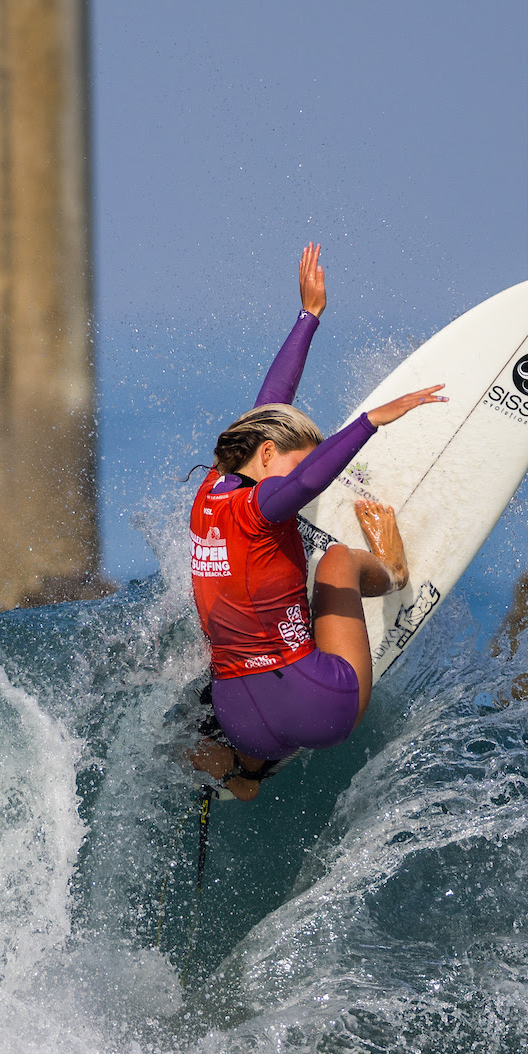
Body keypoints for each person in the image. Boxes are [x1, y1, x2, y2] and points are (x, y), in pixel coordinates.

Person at [188, 244, 447, 799]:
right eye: (294, 459)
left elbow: (268, 407)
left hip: (239, 713)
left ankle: (245, 770)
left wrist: (308, 317)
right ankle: (391, 571)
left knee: (250, 621)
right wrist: (371, 421)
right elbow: (307, 483)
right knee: (332, 561)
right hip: (318, 706)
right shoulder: (259, 507)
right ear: (263, 456)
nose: (298, 480)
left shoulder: (211, 489)